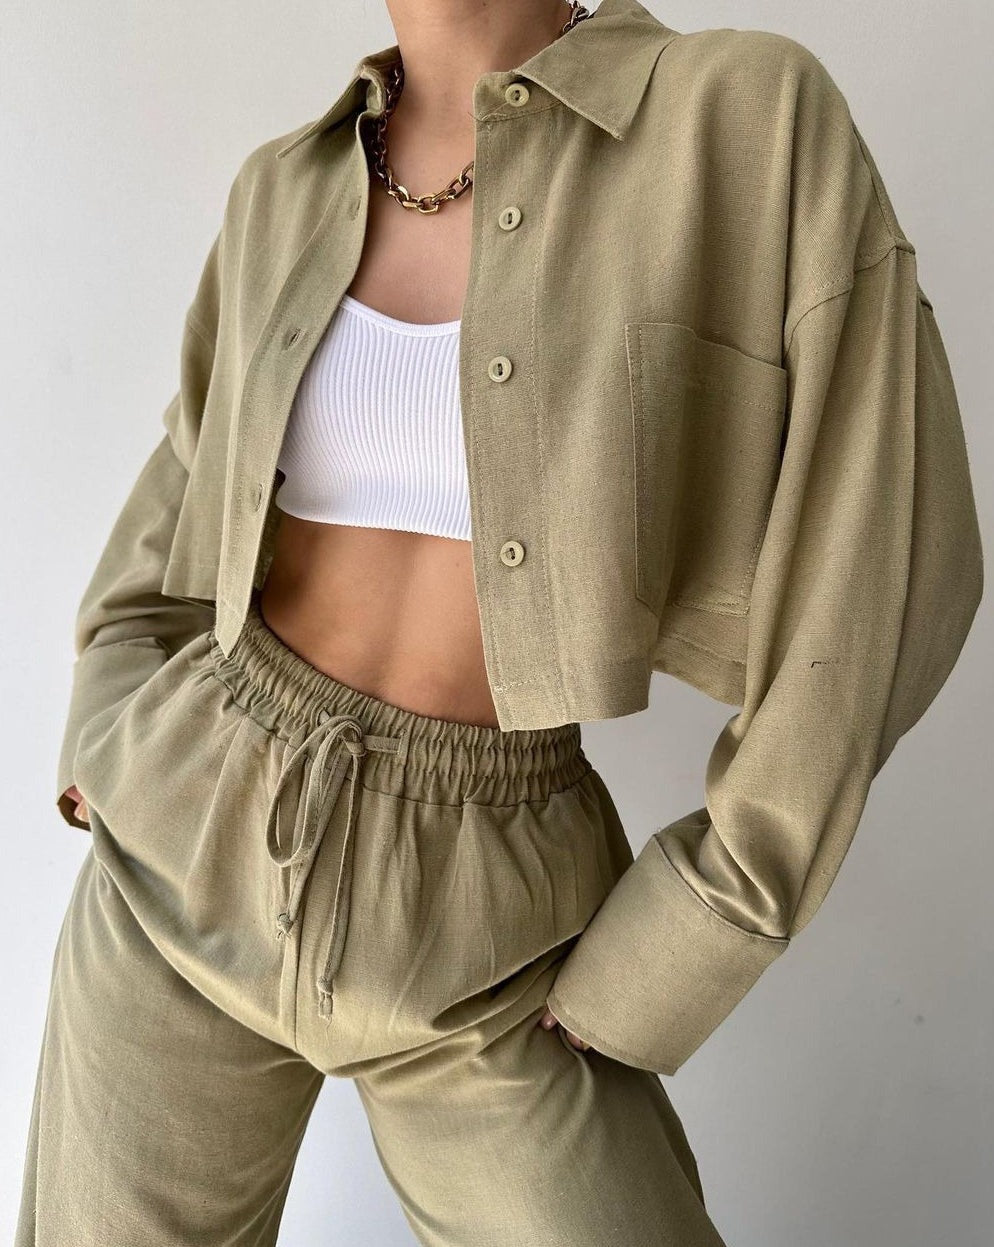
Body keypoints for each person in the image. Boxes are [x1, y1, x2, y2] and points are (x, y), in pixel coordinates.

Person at [16, 0, 983, 1243]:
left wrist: (702, 918)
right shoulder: (283, 186)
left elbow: (888, 556)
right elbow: (180, 510)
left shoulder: (743, 121)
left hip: (500, 919)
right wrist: (106, 737)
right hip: (185, 843)